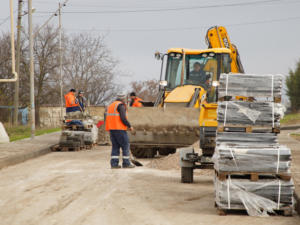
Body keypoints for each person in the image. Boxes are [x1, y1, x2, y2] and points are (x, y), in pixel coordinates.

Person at [105, 94, 135, 169]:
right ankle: (126, 163)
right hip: (119, 129)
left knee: (115, 146)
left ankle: (114, 164)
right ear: (123, 99)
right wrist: (129, 126)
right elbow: (123, 118)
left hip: (112, 129)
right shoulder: (120, 106)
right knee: (125, 145)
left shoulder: (111, 105)